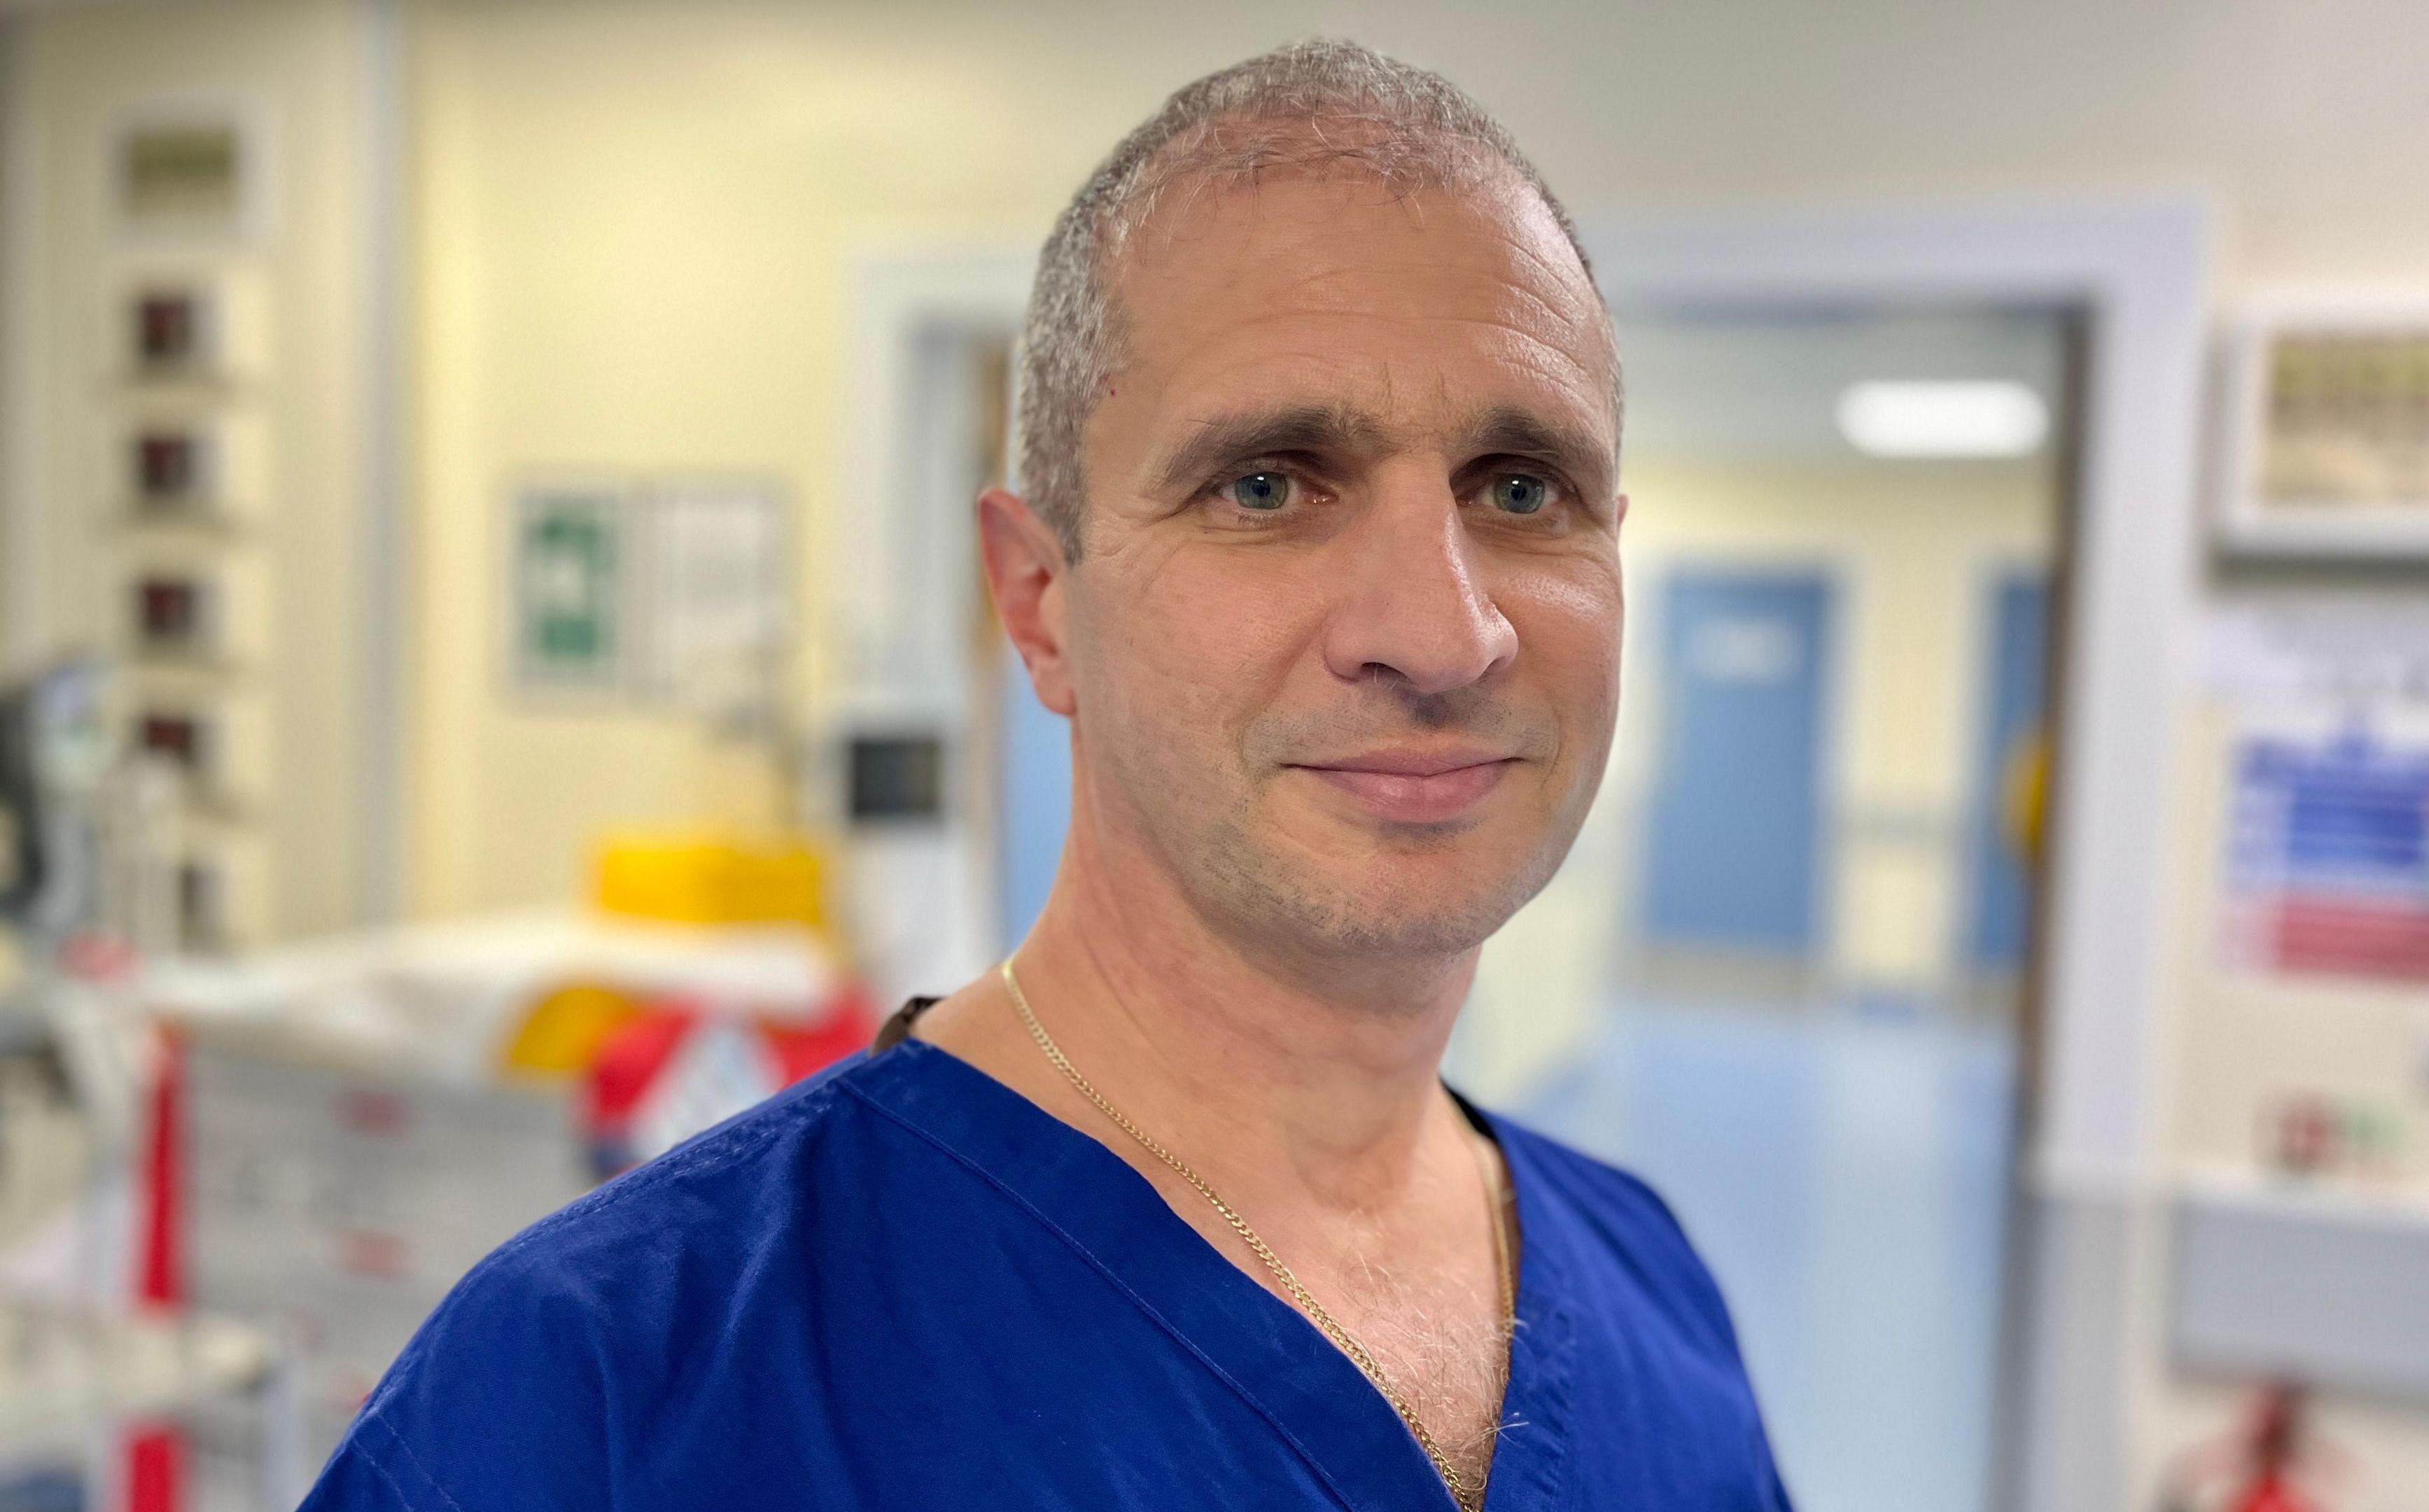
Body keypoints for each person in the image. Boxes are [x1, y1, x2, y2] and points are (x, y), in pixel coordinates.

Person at [303, 39, 1791, 1512]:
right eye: (1265, 485)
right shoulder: (616, 1391)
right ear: (1037, 602)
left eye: (1523, 488)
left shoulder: (1655, 1297)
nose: (1442, 631)